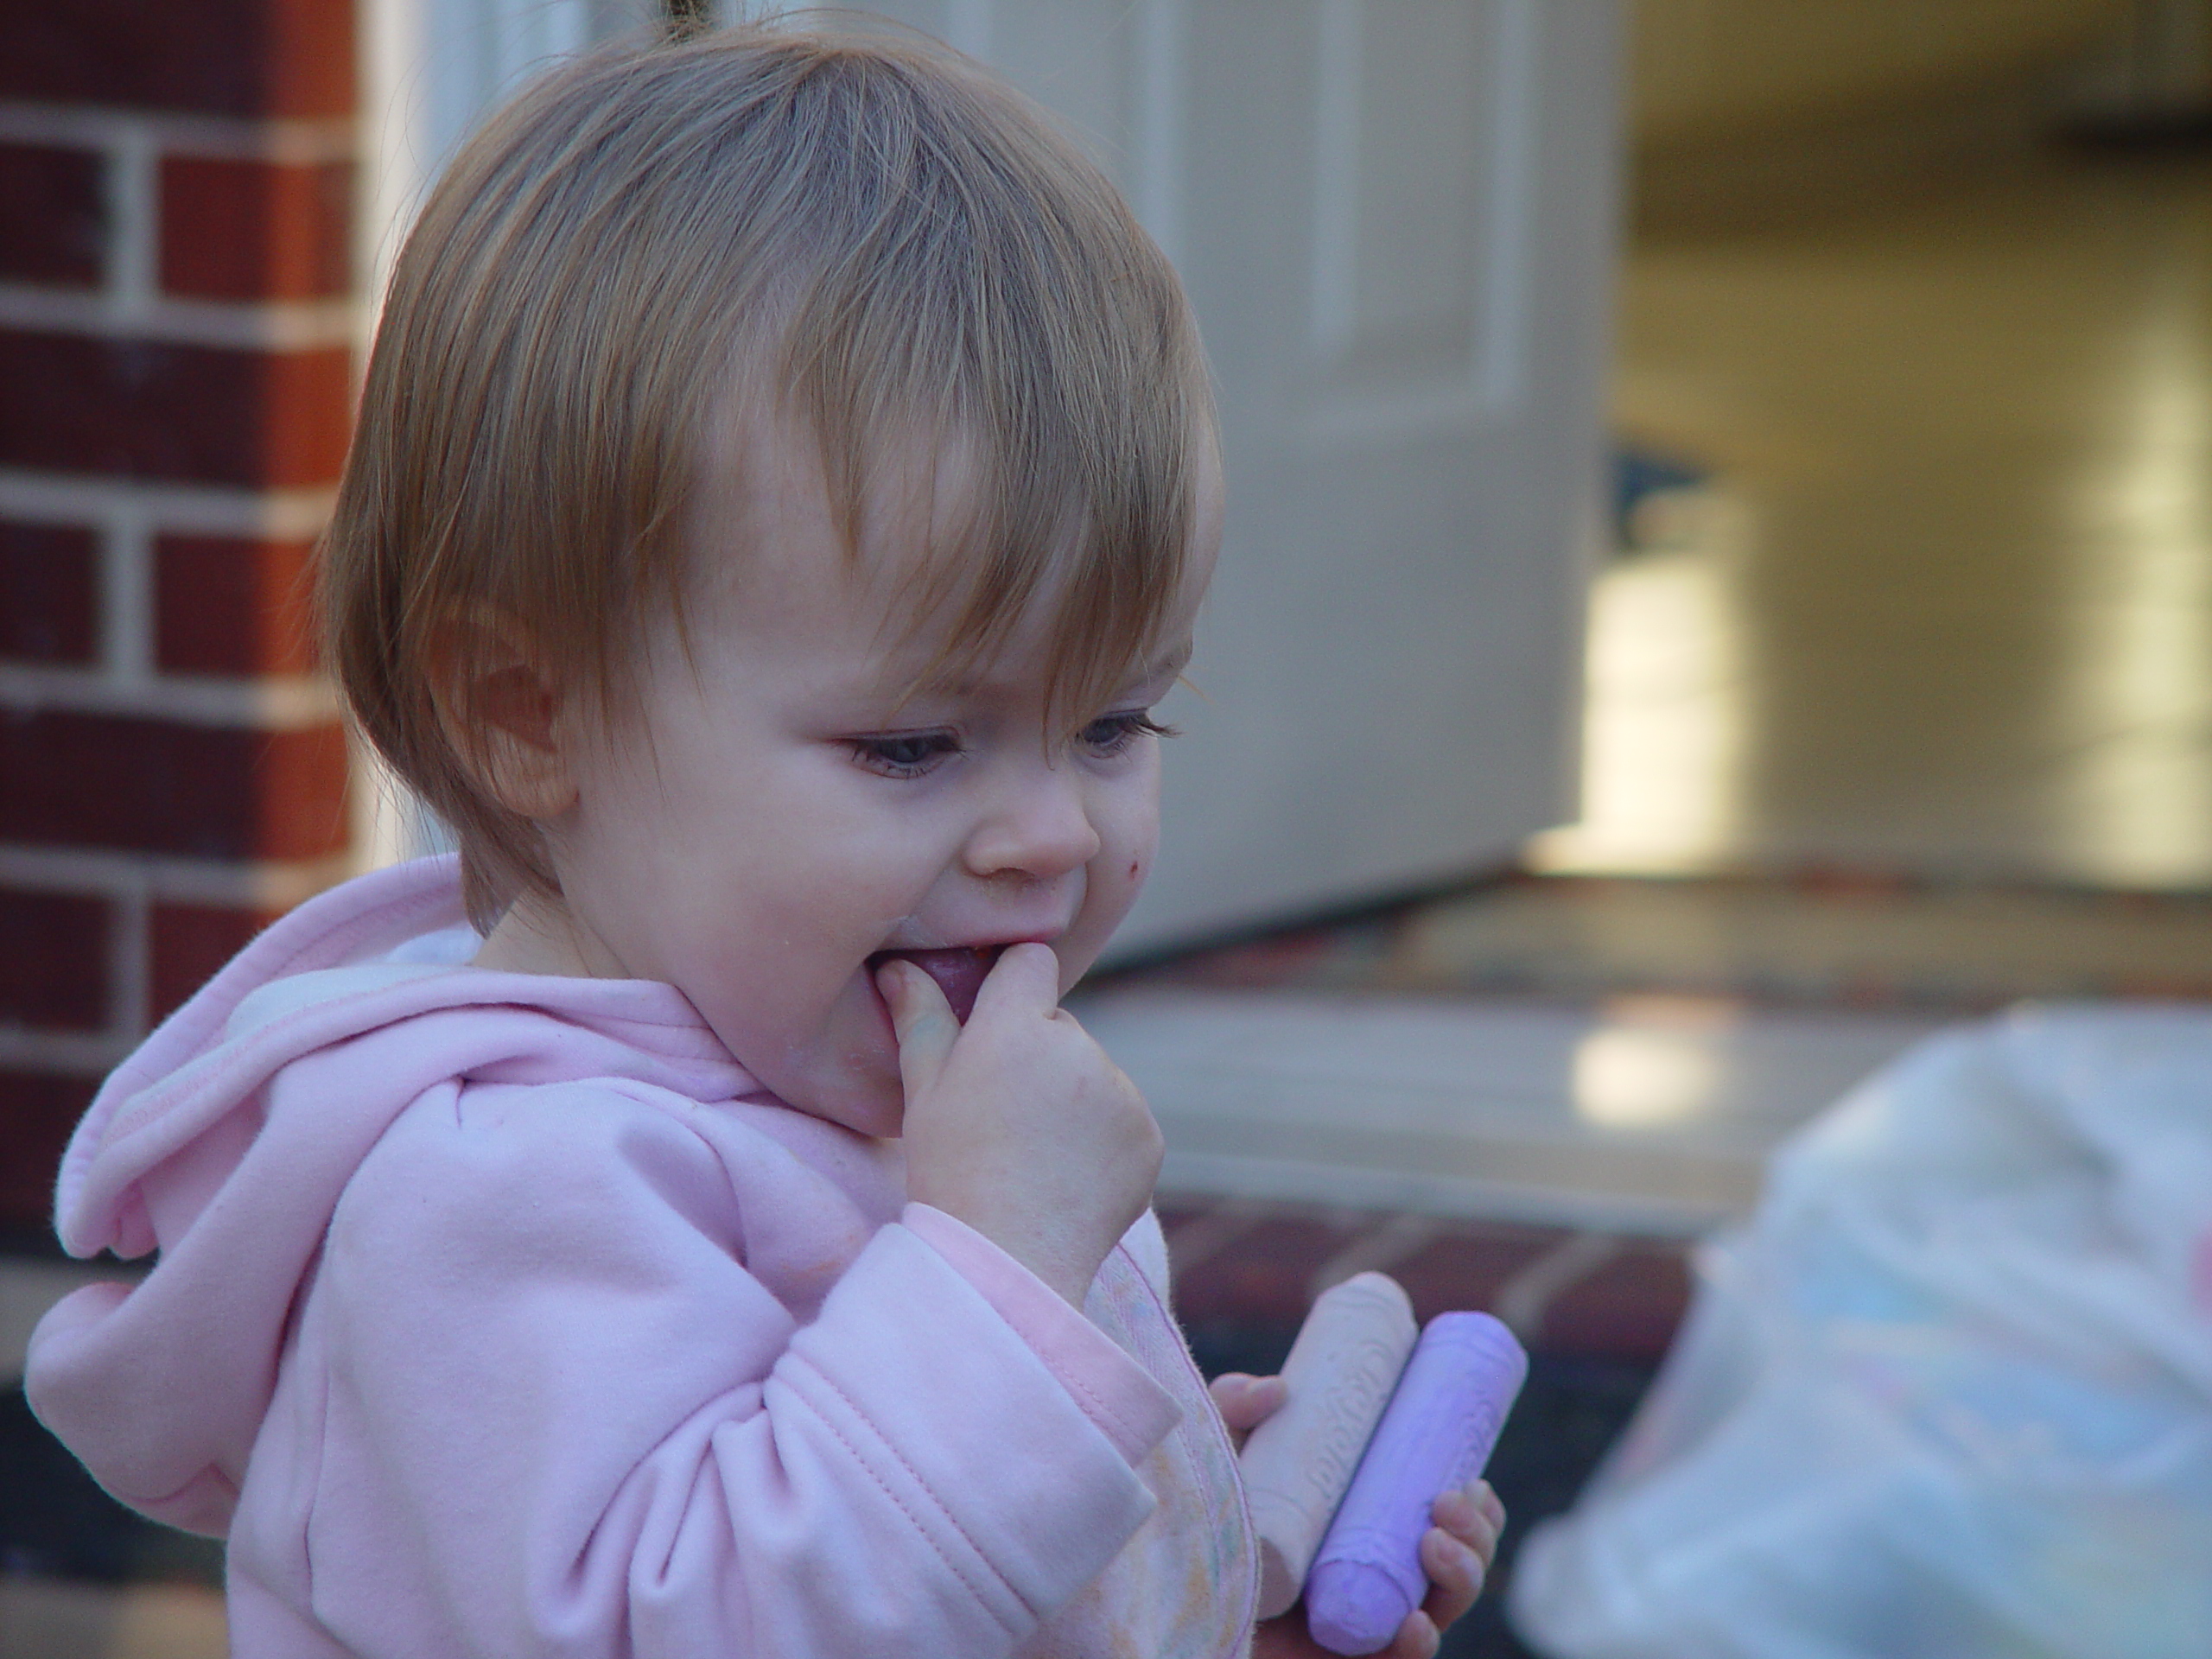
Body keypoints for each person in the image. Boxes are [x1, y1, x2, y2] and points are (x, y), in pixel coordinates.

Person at [26, 23, 1503, 1658]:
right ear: (531, 715)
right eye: (912, 744)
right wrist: (1003, 1299)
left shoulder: (916, 1109)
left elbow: (914, 1564)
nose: (1047, 834)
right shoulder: (507, 1191)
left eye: (1113, 726)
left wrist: (1183, 1564)